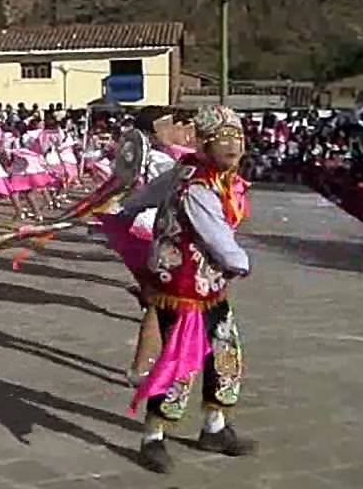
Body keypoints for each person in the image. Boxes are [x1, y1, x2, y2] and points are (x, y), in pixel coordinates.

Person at [132, 105, 255, 474]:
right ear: (205, 145)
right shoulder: (198, 184)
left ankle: (214, 428)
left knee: (224, 353)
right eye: (222, 139)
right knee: (179, 363)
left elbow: (148, 193)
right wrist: (240, 262)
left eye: (237, 138)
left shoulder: (198, 172)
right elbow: (215, 235)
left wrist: (129, 204)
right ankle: (153, 437)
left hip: (207, 288)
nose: (232, 146)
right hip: (183, 288)